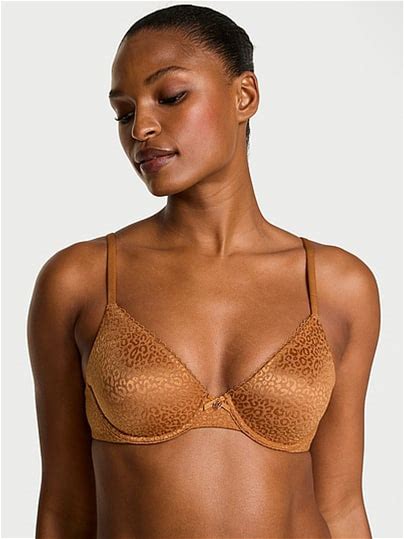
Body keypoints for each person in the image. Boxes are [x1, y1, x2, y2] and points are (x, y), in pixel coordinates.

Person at [28, 4, 380, 538]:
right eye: (123, 113)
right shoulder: (81, 280)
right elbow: (63, 510)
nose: (141, 127)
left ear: (245, 97)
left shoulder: (337, 286)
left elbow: (342, 506)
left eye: (170, 96)